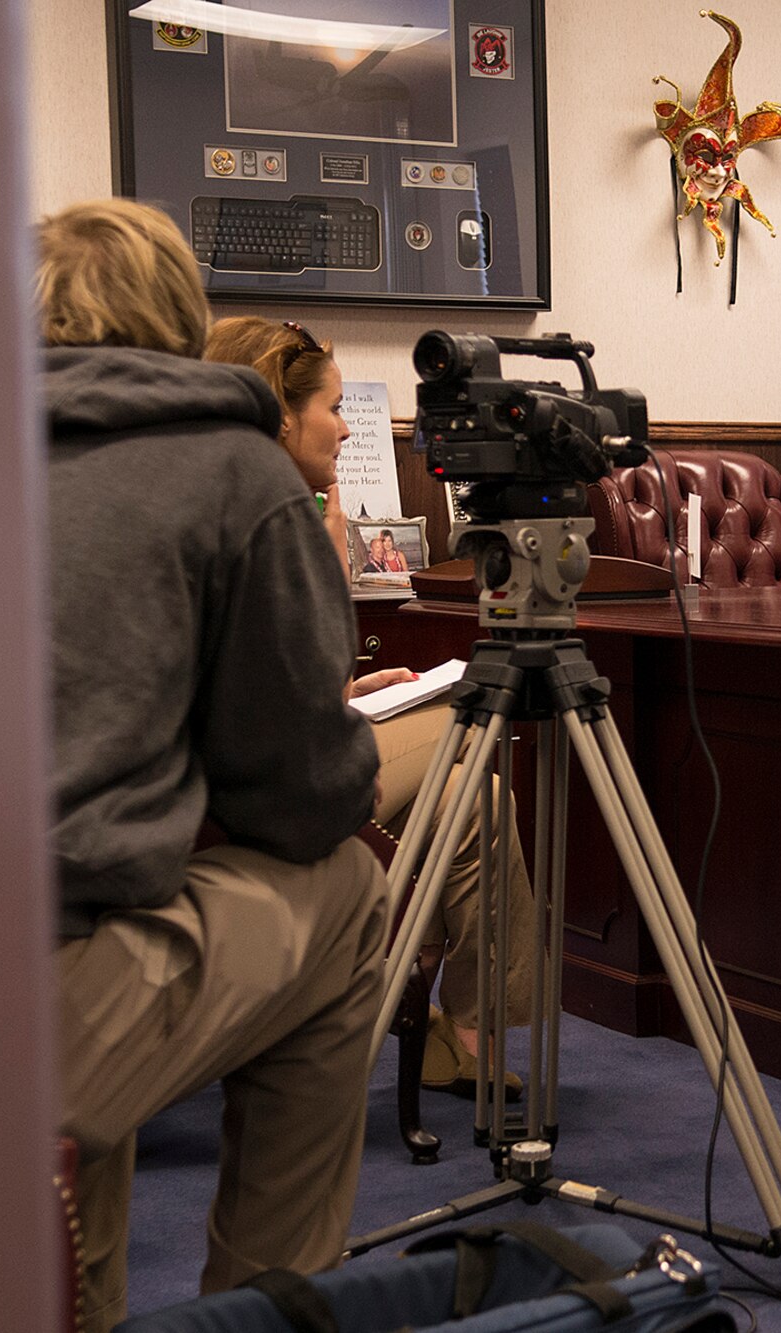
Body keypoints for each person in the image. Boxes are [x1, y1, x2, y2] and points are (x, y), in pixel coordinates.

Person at [39, 200, 391, 1333]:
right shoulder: (234, 475)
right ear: (181, 322)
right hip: (36, 1008)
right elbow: (299, 797)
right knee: (348, 895)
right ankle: (259, 1313)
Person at [203, 314, 536, 1098]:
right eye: (334, 406)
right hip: (268, 792)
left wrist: (349, 692)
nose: (349, 428)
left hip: (277, 753)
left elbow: (260, 683)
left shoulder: (245, 503)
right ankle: (454, 1022)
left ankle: (464, 1029)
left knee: (477, 801)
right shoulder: (267, 519)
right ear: (280, 416)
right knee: (478, 713)